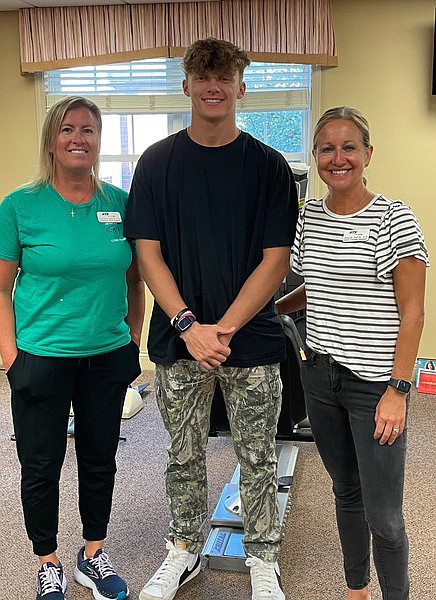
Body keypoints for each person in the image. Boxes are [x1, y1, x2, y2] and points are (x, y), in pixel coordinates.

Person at [125, 38, 298, 600]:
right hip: (180, 343)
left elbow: (277, 261)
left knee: (258, 455)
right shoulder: (156, 162)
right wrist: (188, 326)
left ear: (241, 86)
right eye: (203, 77)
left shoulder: (269, 167)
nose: (213, 86)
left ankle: (263, 557)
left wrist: (220, 328)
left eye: (225, 77)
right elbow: (146, 252)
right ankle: (182, 551)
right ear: (187, 86)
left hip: (251, 342)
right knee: (183, 452)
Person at [276, 106, 429, 600]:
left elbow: (413, 313)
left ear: (367, 154)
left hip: (375, 388)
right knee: (345, 490)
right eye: (326, 148)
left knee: (384, 516)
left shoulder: (393, 218)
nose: (337, 158)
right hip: (321, 379)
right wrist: (267, 310)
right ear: (316, 156)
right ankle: (356, 589)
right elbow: (314, 287)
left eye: (348, 147)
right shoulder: (309, 220)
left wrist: (398, 391)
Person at [0, 96, 144, 600]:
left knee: (99, 457)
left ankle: (93, 552)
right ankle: (47, 559)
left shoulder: (121, 203)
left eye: (88, 129)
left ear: (99, 140)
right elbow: (0, 287)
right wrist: (10, 357)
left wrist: (134, 339)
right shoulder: (20, 206)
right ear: (52, 139)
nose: (78, 138)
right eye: (68, 129)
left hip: (107, 356)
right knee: (41, 463)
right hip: (39, 357)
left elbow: (134, 280)